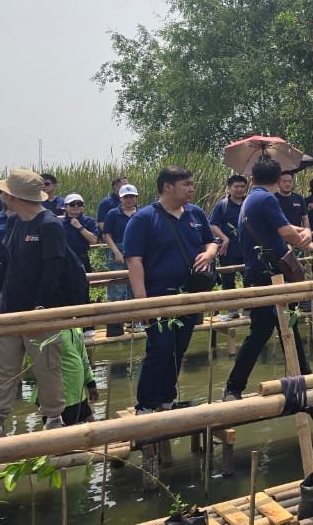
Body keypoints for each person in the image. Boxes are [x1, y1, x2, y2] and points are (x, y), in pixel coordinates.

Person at [123, 166, 218, 413]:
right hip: (158, 297)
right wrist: (141, 302)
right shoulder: (144, 218)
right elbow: (134, 260)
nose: (191, 189)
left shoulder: (195, 214)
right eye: (186, 184)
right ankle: (146, 403)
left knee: (178, 348)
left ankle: (166, 398)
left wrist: (209, 253)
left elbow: (211, 241)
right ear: (167, 187)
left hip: (189, 296)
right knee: (160, 348)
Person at [0, 170, 69, 437]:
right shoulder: (13, 222)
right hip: (9, 310)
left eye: (4, 192)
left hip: (40, 313)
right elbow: (9, 266)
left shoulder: (49, 225)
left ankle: (54, 420)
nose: (1, 196)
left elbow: (55, 270)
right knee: (3, 370)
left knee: (47, 368)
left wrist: (41, 309)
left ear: (12, 196)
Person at [223, 158, 313, 400]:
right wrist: (305, 241)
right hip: (269, 273)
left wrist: (302, 230)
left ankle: (303, 377)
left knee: (287, 326)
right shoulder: (266, 199)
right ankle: (233, 387)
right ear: (277, 180)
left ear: (252, 179)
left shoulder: (251, 200)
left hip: (261, 271)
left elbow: (282, 226)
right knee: (262, 330)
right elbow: (286, 232)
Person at [101, 184, 140, 336]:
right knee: (116, 288)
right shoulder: (112, 213)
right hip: (118, 250)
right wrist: (116, 251)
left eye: (132, 196)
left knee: (135, 287)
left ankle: (135, 322)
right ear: (121, 198)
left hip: (137, 253)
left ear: (136, 197)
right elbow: (106, 235)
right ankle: (115, 326)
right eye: (126, 197)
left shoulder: (141, 213)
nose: (129, 200)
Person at [209, 174, 248, 320]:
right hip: (228, 250)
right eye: (236, 187)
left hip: (247, 249)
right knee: (228, 280)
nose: (239, 190)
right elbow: (212, 224)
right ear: (229, 188)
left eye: (242, 187)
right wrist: (224, 238)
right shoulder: (222, 205)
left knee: (249, 278)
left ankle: (249, 307)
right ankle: (232, 309)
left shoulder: (249, 203)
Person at [61, 193, 99, 272]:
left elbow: (94, 240)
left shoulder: (89, 221)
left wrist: (80, 227)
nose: (76, 206)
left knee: (84, 283)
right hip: (64, 258)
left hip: (82, 257)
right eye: (72, 204)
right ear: (65, 207)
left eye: (79, 204)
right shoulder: (59, 223)